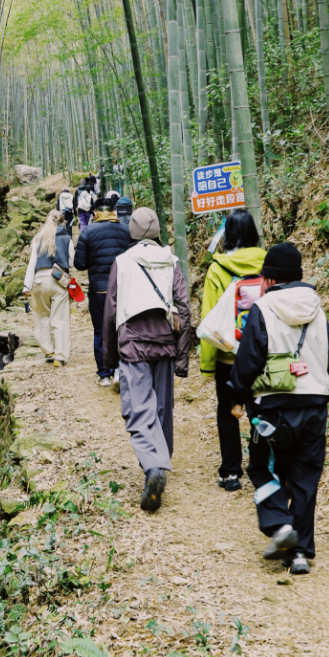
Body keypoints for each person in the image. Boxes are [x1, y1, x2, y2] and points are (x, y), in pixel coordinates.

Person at [228, 242, 329, 575]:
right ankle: (300, 554)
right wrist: (324, 390)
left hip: (274, 408)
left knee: (263, 468)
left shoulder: (263, 308)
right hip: (315, 405)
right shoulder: (317, 310)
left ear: (270, 278)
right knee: (305, 478)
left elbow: (248, 361)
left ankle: (279, 525)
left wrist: (236, 394)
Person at [103, 208, 191, 511]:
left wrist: (110, 356)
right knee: (162, 409)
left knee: (138, 410)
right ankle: (159, 465)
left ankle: (153, 468)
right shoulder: (172, 261)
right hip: (165, 342)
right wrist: (182, 356)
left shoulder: (123, 262)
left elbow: (111, 310)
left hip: (133, 345)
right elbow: (184, 309)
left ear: (131, 231)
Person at [199, 209, 266, 492]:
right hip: (262, 354)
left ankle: (230, 472)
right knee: (259, 410)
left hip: (228, 354)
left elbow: (209, 319)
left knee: (227, 411)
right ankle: (261, 469)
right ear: (253, 233)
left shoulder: (218, 268)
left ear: (228, 235)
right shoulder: (268, 264)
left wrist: (207, 363)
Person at [73, 196, 133, 387]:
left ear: (95, 213)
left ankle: (104, 374)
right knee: (122, 329)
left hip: (99, 291)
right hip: (123, 289)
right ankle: (119, 370)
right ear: (113, 211)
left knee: (100, 331)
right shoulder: (127, 230)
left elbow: (79, 264)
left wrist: (94, 258)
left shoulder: (88, 232)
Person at [22, 209, 75, 366]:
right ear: (62, 222)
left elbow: (32, 264)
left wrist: (26, 285)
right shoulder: (67, 238)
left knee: (42, 316)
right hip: (59, 279)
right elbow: (72, 262)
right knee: (59, 318)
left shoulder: (39, 239)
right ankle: (59, 356)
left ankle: (48, 350)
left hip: (39, 280)